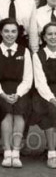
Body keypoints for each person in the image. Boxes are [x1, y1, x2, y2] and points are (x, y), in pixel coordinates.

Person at [0, 18, 33, 168]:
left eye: (13, 31)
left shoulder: (24, 51)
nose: (10, 34)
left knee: (19, 111)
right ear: (0, 32)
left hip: (20, 89)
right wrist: (2, 94)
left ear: (18, 33)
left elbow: (28, 79)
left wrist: (18, 94)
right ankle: (7, 152)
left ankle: (16, 153)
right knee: (7, 112)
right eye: (6, 31)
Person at [33, 22, 56, 169]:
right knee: (50, 109)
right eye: (50, 34)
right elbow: (40, 82)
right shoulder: (38, 55)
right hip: (44, 92)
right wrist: (52, 98)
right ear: (44, 38)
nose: (53, 37)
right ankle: (52, 153)